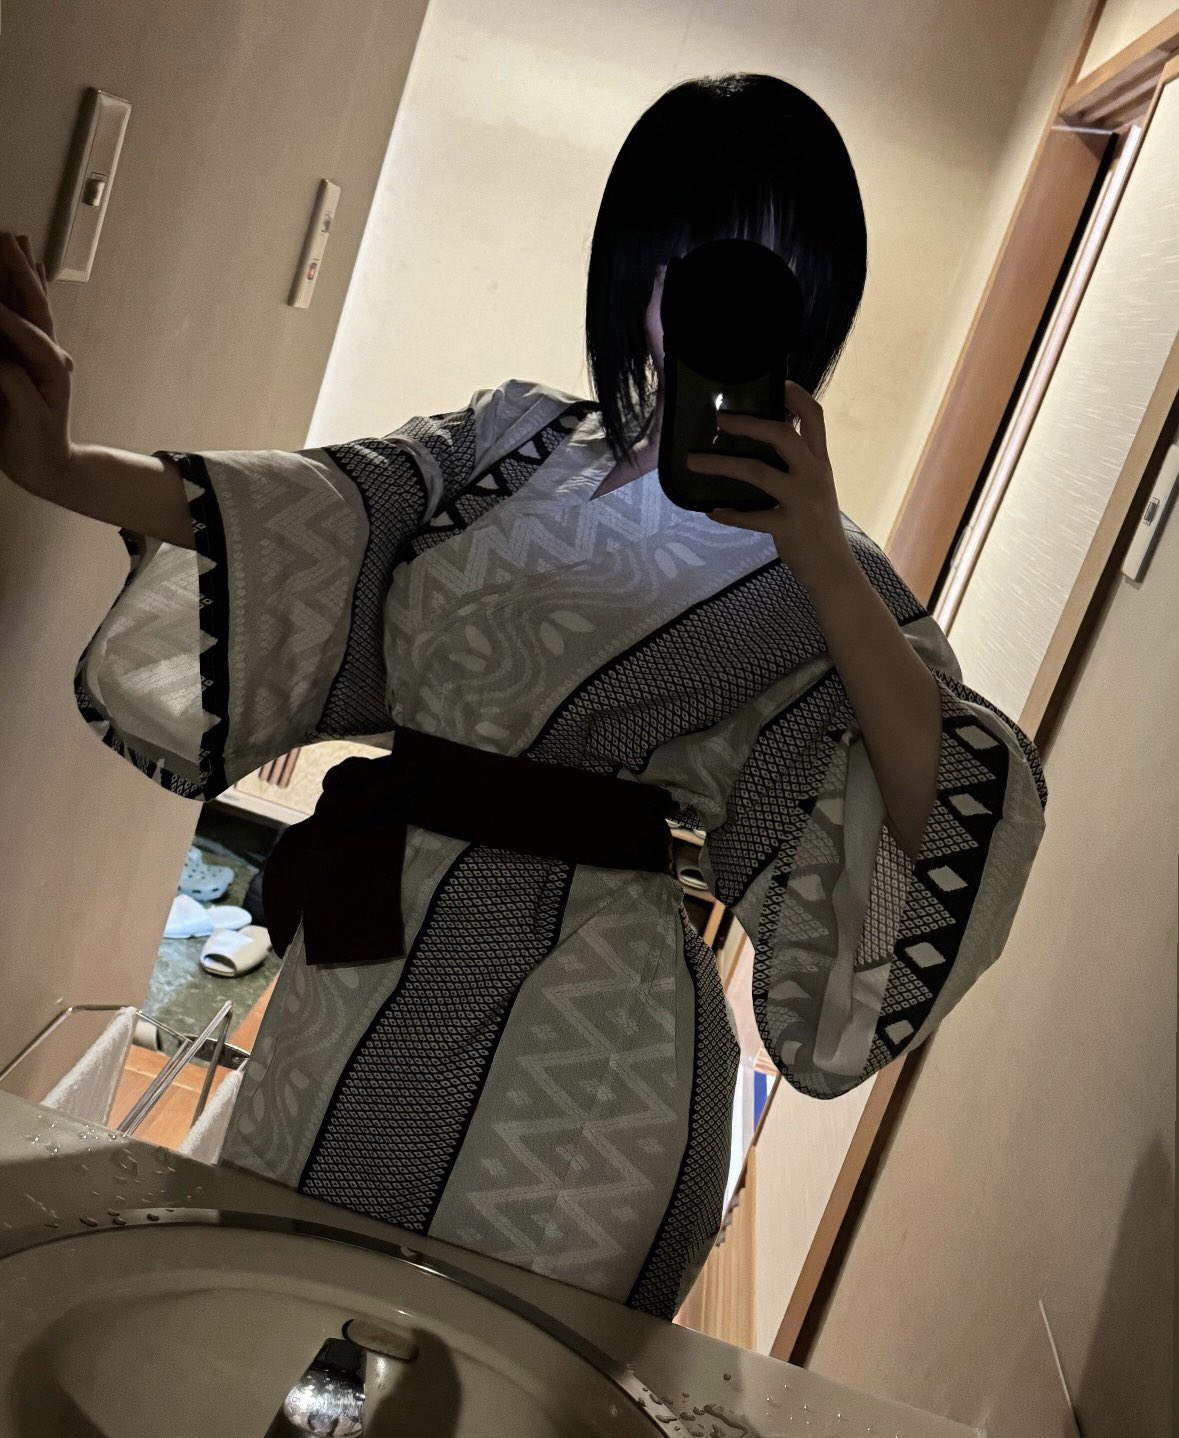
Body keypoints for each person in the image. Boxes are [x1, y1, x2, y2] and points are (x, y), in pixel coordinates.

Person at [0, 73, 1047, 1320]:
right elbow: (317, 508)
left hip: (585, 1045)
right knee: (268, 1303)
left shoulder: (825, 565)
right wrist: (60, 466)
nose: (709, 294)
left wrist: (818, 551)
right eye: (691, 256)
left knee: (481, 1363)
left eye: (758, 270)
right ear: (637, 262)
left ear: (809, 296)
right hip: (365, 942)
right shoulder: (516, 439)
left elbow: (948, 800)